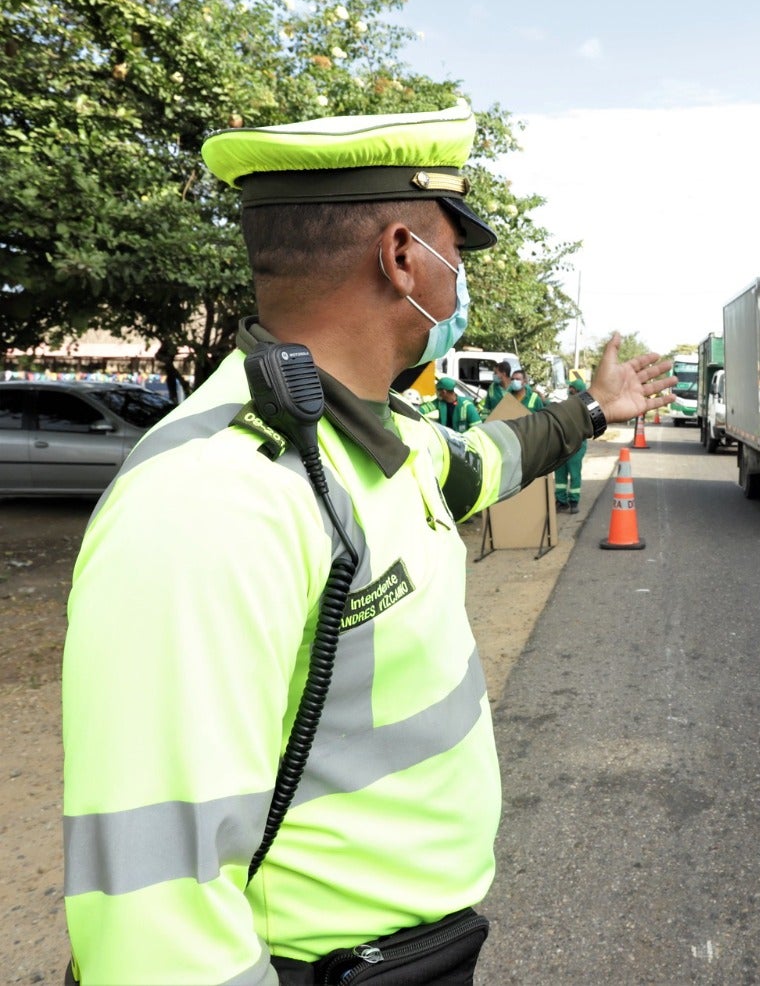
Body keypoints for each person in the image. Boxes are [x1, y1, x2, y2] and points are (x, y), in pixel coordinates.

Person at [59, 105, 676, 985]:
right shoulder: (215, 500)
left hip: (406, 953)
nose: (462, 286)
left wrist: (589, 413)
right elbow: (158, 914)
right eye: (455, 257)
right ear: (401, 257)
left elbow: (487, 465)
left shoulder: (378, 435)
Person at [554, 374, 588, 513]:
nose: (569, 389)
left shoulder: (584, 406)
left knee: (574, 473)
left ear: (576, 390)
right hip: (563, 443)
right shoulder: (568, 402)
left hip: (577, 445)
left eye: (571, 387)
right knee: (560, 473)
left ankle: (574, 501)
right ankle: (561, 501)